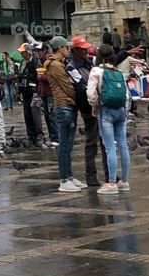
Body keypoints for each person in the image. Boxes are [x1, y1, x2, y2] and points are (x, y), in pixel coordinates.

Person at [88, 44, 131, 193]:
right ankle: (124, 181)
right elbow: (127, 95)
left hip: (105, 111)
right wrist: (125, 110)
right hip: (121, 111)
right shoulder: (118, 72)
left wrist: (95, 106)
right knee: (123, 145)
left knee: (110, 147)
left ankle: (112, 183)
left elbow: (91, 94)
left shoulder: (97, 71)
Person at [67, 37, 106, 189]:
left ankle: (108, 173)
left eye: (86, 49)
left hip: (97, 104)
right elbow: (82, 85)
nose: (86, 51)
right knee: (91, 141)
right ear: (75, 50)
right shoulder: (71, 67)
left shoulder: (89, 63)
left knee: (104, 141)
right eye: (82, 49)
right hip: (87, 107)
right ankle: (91, 175)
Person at [44, 37, 82, 193]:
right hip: (63, 105)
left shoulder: (60, 64)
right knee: (64, 144)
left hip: (68, 105)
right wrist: (80, 95)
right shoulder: (55, 65)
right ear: (60, 48)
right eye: (67, 47)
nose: (68, 50)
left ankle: (69, 176)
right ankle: (64, 179)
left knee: (69, 144)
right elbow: (67, 86)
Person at [17, 44, 45, 147]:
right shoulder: (23, 63)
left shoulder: (36, 62)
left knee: (35, 113)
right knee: (27, 113)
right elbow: (20, 76)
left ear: (28, 52)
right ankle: (30, 135)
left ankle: (39, 135)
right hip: (25, 91)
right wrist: (18, 89)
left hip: (34, 91)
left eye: (23, 52)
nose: (21, 54)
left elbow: (40, 76)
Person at [36, 54, 59, 146]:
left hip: (50, 93)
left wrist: (41, 77)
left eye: (41, 51)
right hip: (44, 93)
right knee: (47, 116)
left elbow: (52, 78)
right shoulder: (39, 63)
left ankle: (55, 137)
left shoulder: (51, 63)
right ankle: (52, 136)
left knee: (52, 115)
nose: (39, 53)